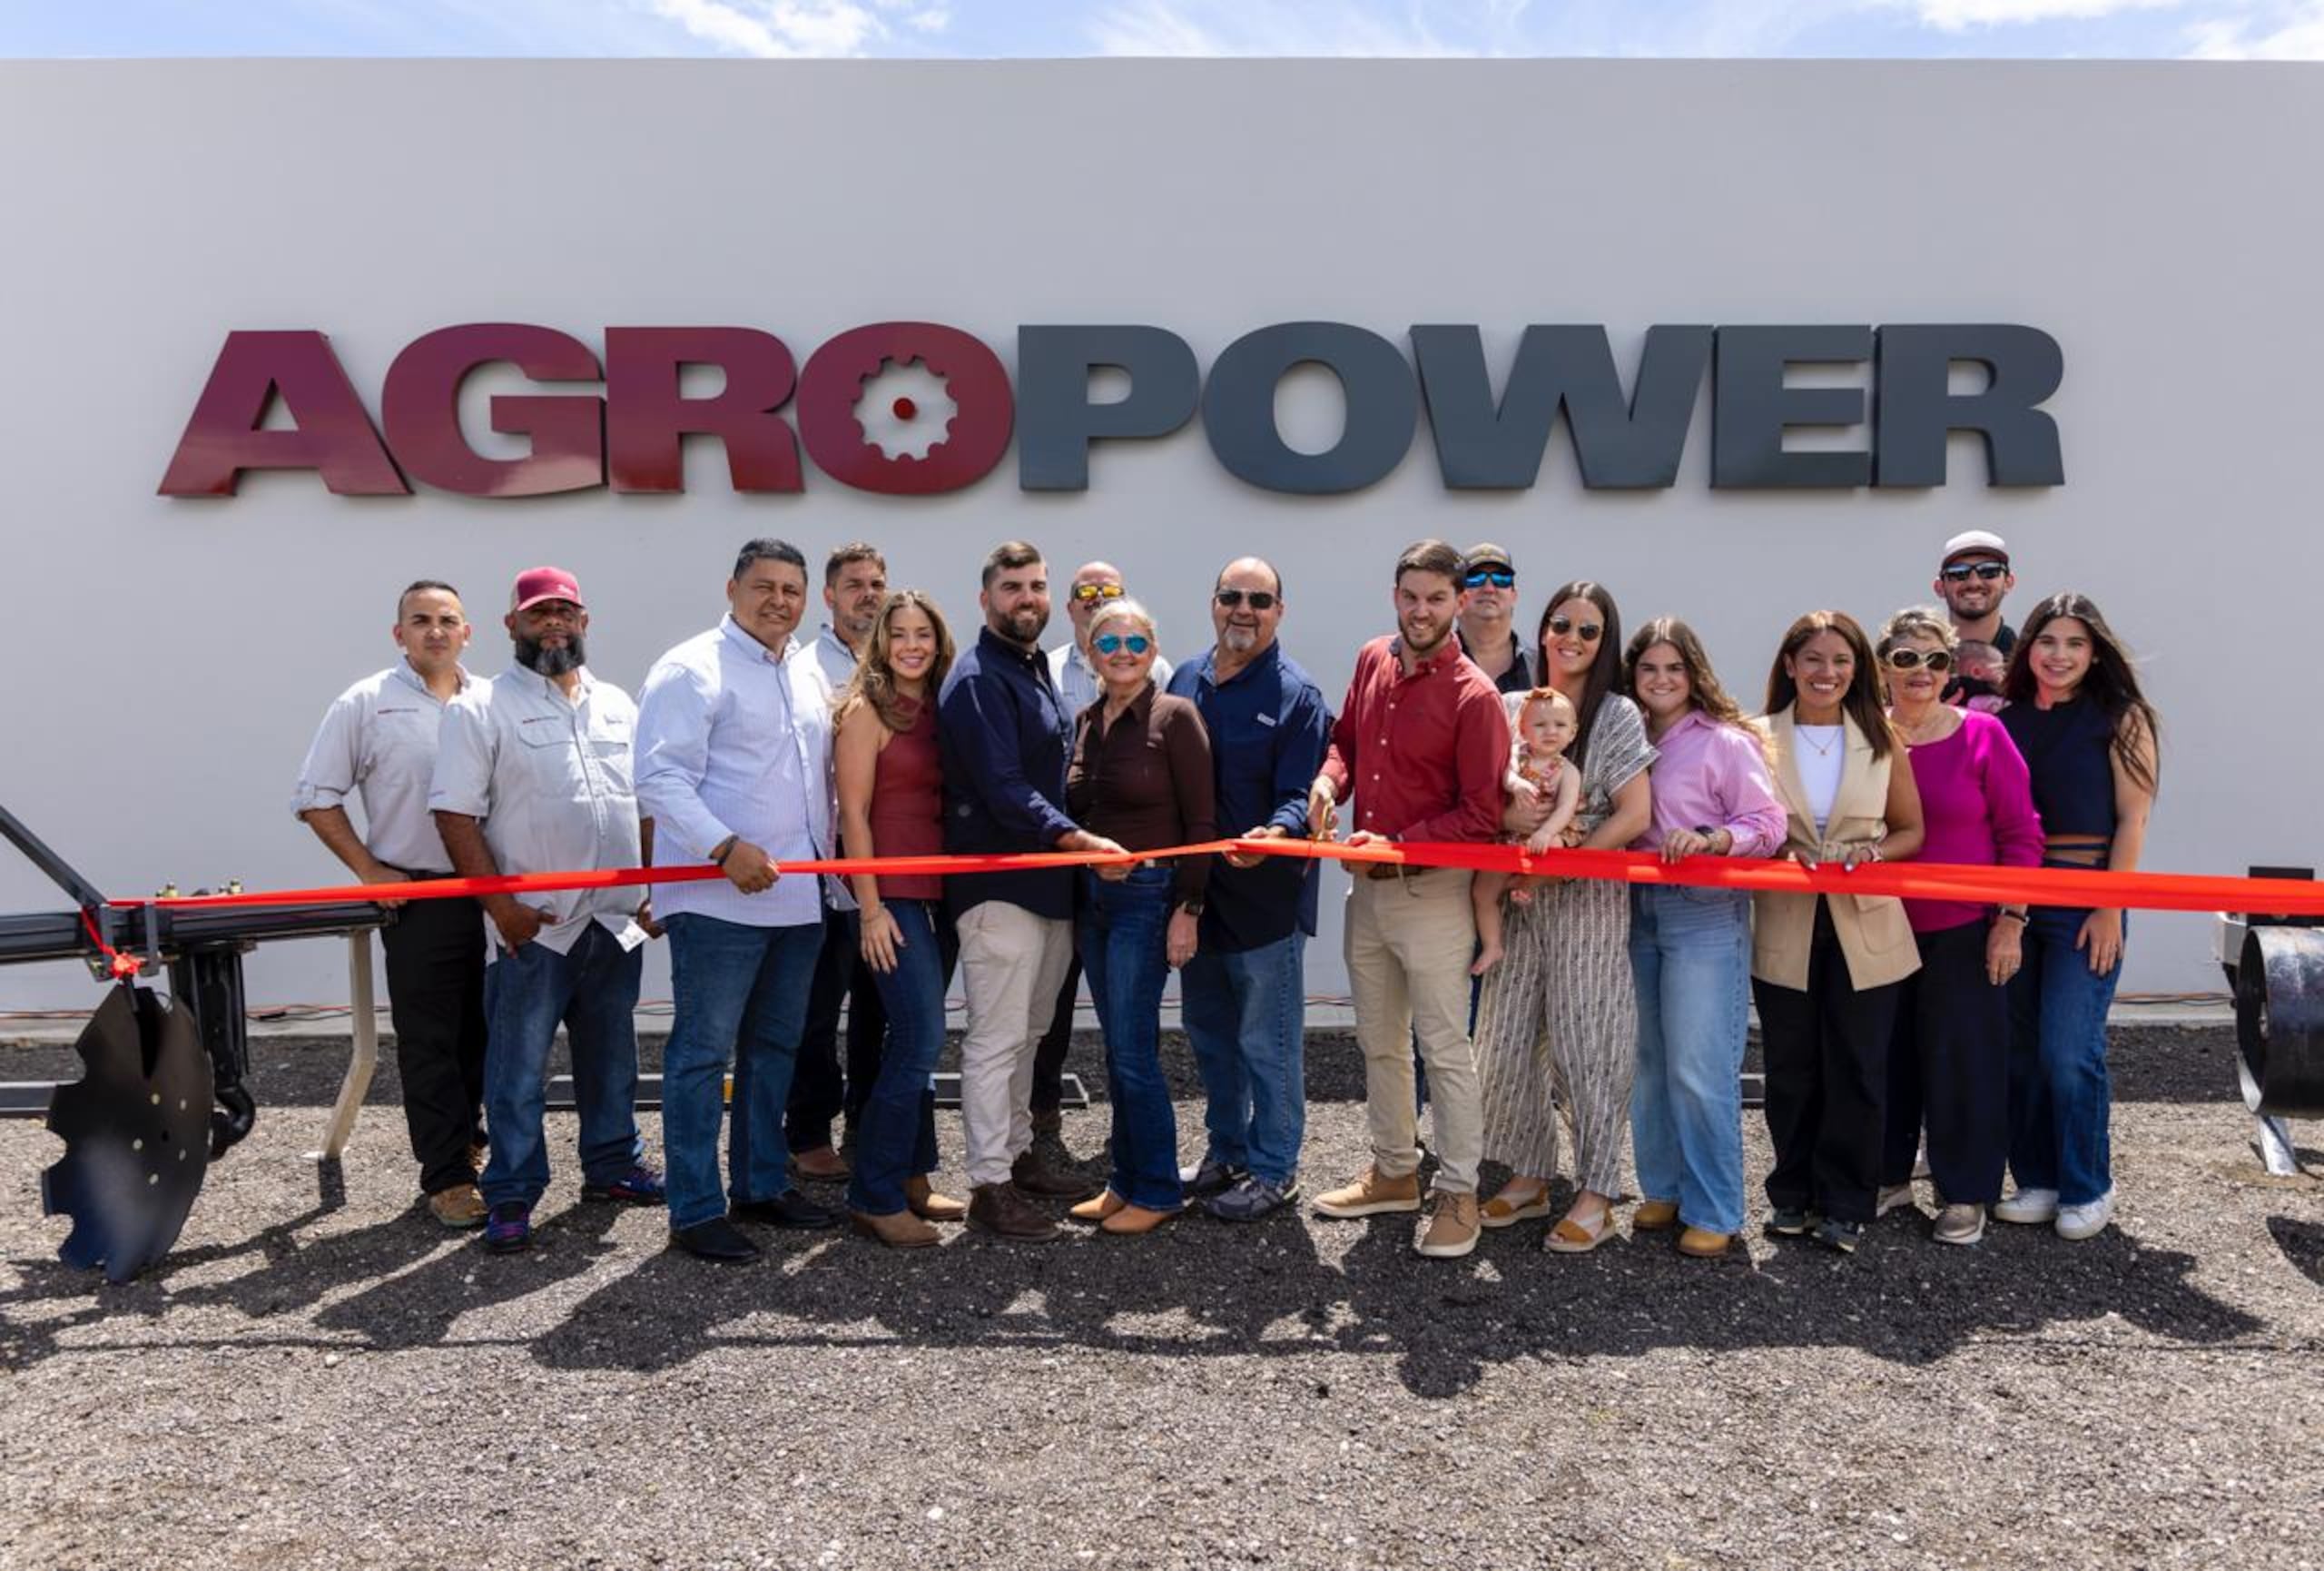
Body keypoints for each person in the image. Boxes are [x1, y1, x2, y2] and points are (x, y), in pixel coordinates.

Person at [429, 568, 662, 1254]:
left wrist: (653, 888)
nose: (553, 624)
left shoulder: (619, 704)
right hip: (535, 927)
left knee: (612, 1058)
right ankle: (511, 1191)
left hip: (614, 924)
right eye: (538, 614)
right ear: (511, 627)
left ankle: (613, 1165)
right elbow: (454, 814)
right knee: (518, 1069)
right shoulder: (479, 708)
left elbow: (645, 805)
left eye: (565, 612)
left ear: (586, 622)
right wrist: (502, 909)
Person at [635, 538, 844, 1263]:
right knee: (701, 1055)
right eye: (764, 586)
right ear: (732, 589)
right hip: (715, 898)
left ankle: (759, 1184)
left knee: (774, 1050)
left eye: (792, 588)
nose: (778, 600)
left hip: (796, 900)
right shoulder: (691, 669)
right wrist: (725, 847)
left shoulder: (806, 673)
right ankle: (695, 1209)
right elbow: (658, 780)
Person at [1306, 538, 1510, 1260]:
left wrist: (1395, 845)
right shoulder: (1372, 659)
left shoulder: (1475, 697)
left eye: (1436, 599)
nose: (1421, 611)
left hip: (1432, 893)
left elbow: (1481, 814)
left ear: (1459, 603)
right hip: (1368, 893)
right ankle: (1395, 1171)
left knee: (1445, 1050)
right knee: (1379, 1043)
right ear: (1395, 596)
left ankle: (1459, 1194)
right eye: (1410, 597)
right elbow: (1346, 744)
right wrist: (1331, 782)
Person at [940, 541, 1128, 1242]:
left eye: (1038, 587)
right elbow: (1005, 788)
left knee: (1031, 1033)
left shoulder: (1032, 668)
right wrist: (1078, 841)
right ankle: (988, 1183)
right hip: (999, 889)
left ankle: (1018, 1157)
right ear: (986, 596)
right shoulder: (979, 679)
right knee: (995, 1040)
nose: (1028, 598)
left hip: (1050, 888)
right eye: (1013, 587)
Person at [292, 579, 488, 1229]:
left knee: (487, 1033)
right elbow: (316, 795)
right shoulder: (366, 703)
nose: (436, 630)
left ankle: (474, 1139)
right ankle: (448, 1177)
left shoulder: (492, 699)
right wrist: (370, 869)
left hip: (501, 894)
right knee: (431, 1040)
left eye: (448, 620)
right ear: (398, 633)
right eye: (421, 620)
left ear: (469, 632)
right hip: (422, 895)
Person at [1473, 582, 1655, 1252]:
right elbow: (1485, 797)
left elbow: (1635, 813)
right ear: (1542, 628)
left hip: (1588, 895)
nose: (1572, 640)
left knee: (1589, 1044)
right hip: (1516, 896)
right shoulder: (1511, 704)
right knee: (1503, 1040)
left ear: (1605, 642)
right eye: (1562, 625)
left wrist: (1563, 858)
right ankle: (1530, 1172)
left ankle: (1599, 1190)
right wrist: (1509, 821)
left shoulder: (1616, 715)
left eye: (1589, 630)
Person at [1751, 610, 1925, 1257]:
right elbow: (1744, 822)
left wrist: (1877, 855)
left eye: (1842, 661)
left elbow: (1912, 830)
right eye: (1815, 660)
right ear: (1790, 665)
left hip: (1866, 924)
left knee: (1858, 1066)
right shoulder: (1755, 736)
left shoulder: (1881, 738)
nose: (1828, 673)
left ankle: (1847, 1202)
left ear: (1858, 670)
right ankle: (1791, 1196)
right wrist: (1773, 860)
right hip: (1786, 920)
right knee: (1791, 1069)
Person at [1874, 607, 2043, 1248]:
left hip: (1964, 929)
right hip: (1879, 927)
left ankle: (1964, 1190)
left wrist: (2011, 922)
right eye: (1907, 658)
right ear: (1883, 666)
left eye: (1935, 659)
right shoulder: (1866, 737)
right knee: (1885, 1057)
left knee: (1962, 1063)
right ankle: (1887, 1177)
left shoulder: (1983, 736)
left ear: (1951, 669)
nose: (1922, 671)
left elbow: (2022, 836)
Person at [1168, 557, 1331, 1222]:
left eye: (1259, 600)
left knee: (1268, 1043)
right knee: (1209, 1034)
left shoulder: (1298, 694)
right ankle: (1226, 1151)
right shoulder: (1184, 678)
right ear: (1212, 603)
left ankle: (1275, 1169)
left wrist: (1275, 828)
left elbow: (1300, 793)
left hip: (1265, 902)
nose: (1244, 609)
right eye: (1232, 596)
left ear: (1279, 612)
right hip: (1196, 900)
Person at [1994, 593, 2159, 1242]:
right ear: (2027, 648)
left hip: (2087, 899)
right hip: (2013, 904)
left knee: (2070, 1051)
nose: (2058, 656)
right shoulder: (2003, 723)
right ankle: (2036, 1178)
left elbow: (2134, 819)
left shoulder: (2121, 719)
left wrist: (2110, 906)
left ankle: (2087, 1184)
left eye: (2074, 644)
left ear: (2095, 654)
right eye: (2047, 642)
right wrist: (2007, 910)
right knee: (2020, 1051)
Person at [1620, 618, 1788, 1260]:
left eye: (1674, 669)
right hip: (1636, 908)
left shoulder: (1725, 742)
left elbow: (1767, 824)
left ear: (1694, 675)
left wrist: (1715, 840)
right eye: (1648, 669)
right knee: (1649, 1064)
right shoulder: (1621, 734)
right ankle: (1661, 1189)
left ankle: (1716, 1207)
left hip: (1705, 912)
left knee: (1699, 1066)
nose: (1661, 681)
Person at [1063, 598, 1216, 1235]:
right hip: (1094, 902)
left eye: (1135, 643)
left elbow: (1204, 821)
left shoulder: (1176, 716)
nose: (1122, 654)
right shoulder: (1088, 719)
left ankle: (1157, 1189)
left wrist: (1189, 908)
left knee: (1133, 1053)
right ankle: (1125, 1180)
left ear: (1153, 651)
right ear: (1091, 654)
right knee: (1119, 1048)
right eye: (1109, 644)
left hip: (1148, 901)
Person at [834, 589, 970, 1248]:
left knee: (909, 1039)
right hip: (893, 900)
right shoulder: (867, 710)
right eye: (899, 634)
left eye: (923, 633)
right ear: (880, 643)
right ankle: (874, 1195)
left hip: (941, 898)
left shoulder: (943, 707)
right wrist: (870, 908)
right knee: (919, 1037)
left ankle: (913, 1177)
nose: (912, 645)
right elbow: (852, 815)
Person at [1032, 560, 1175, 1152]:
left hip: (1136, 884)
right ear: (1070, 612)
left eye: (1109, 593)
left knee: (1128, 1031)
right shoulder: (1047, 672)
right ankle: (1045, 1127)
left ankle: (1139, 1163)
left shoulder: (1164, 683)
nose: (1096, 601)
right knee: (1052, 1008)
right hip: (1065, 868)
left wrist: (1187, 895)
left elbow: (1185, 796)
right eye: (1085, 594)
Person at [787, 541, 891, 1182]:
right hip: (823, 876)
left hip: (884, 872)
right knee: (815, 1015)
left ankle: (868, 1124)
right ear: (829, 597)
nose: (868, 594)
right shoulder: (802, 669)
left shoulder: (899, 661)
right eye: (854, 584)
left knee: (880, 1012)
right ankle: (807, 1134)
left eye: (877, 582)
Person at [1469, 686, 1580, 972]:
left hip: (1546, 836)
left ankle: (1528, 883)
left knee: (1556, 847)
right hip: (1508, 837)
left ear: (1573, 732)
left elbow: (1566, 808)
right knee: (1482, 893)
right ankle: (1493, 946)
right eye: (1540, 725)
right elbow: (1503, 773)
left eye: (1560, 725)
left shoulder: (1567, 771)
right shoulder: (1516, 754)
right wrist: (1516, 783)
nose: (1550, 731)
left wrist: (1545, 832)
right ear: (1522, 728)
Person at [1933, 530, 2017, 706]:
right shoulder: (1920, 660)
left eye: (1989, 571)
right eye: (1958, 573)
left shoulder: (2026, 660)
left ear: (2008, 582)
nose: (1974, 582)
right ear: (1940, 587)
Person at [1453, 541, 1534, 695]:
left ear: (1514, 595)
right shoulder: (1436, 664)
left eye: (1501, 579)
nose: (1489, 589)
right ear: (1458, 595)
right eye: (1475, 579)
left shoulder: (1539, 666)